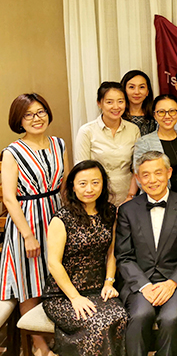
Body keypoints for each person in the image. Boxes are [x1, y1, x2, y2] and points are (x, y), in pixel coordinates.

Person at [1, 93, 68, 356]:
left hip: (56, 215)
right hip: (26, 219)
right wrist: (28, 235)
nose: (36, 118)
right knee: (29, 283)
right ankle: (38, 344)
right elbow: (9, 197)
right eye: (28, 115)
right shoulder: (12, 152)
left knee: (56, 276)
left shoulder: (59, 144)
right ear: (19, 120)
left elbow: (65, 184)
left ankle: (58, 337)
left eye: (40, 112)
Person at [115, 151, 177, 356]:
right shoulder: (128, 210)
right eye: (145, 175)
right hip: (140, 281)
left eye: (158, 173)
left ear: (169, 173)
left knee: (171, 318)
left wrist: (172, 283)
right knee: (140, 314)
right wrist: (144, 286)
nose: (152, 180)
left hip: (175, 281)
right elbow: (124, 256)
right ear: (137, 178)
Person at [42, 160, 128, 356]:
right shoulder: (62, 218)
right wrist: (75, 298)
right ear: (73, 186)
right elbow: (54, 263)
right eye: (83, 183)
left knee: (120, 316)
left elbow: (112, 251)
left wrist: (109, 282)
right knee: (97, 324)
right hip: (62, 295)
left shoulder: (110, 212)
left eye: (95, 182)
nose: (89, 189)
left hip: (98, 289)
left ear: (103, 184)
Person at [75, 82, 140, 205]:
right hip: (97, 194)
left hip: (127, 193)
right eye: (109, 102)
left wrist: (130, 196)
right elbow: (82, 170)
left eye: (120, 101)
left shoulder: (133, 130)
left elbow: (137, 167)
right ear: (99, 103)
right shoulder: (87, 131)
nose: (116, 107)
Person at [134, 94, 177, 199]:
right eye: (161, 112)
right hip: (155, 199)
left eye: (172, 111)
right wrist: (165, 198)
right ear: (154, 115)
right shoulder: (144, 142)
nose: (167, 116)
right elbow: (140, 177)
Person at [121, 70, 157, 136]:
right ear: (124, 90)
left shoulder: (156, 116)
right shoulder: (117, 116)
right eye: (132, 87)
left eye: (141, 87)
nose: (137, 92)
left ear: (147, 91)